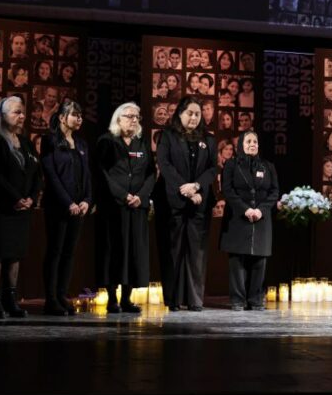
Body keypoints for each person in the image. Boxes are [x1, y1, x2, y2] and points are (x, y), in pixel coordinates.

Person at [0, 96, 40, 319]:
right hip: (0, 208)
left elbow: (37, 174)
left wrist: (31, 197)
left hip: (22, 210)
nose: (21, 116)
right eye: (16, 112)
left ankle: (10, 299)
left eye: (22, 112)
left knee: (14, 254)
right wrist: (16, 197)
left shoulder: (25, 142)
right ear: (2, 115)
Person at [154, 96, 218, 311]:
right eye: (189, 113)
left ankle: (194, 299)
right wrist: (185, 188)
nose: (193, 117)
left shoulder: (208, 139)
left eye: (197, 114)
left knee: (196, 252)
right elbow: (165, 164)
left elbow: (212, 169)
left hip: (199, 201)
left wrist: (197, 186)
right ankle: (172, 298)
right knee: (172, 251)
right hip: (173, 202)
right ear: (180, 113)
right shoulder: (167, 136)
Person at [96, 102, 156, 314]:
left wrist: (141, 196)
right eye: (129, 116)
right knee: (115, 251)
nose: (134, 120)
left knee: (133, 252)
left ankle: (127, 299)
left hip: (137, 207)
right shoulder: (106, 141)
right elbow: (102, 172)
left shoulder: (141, 142)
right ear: (118, 119)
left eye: (137, 117)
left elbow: (151, 173)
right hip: (115, 207)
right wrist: (123, 195)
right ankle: (112, 298)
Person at [40, 100, 92, 316]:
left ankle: (62, 294)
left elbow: (87, 174)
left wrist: (87, 200)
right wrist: (68, 202)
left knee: (69, 253)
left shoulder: (81, 144)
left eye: (80, 115)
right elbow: (50, 174)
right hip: (58, 206)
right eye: (74, 115)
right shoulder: (50, 140)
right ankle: (51, 299)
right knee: (55, 251)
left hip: (78, 209)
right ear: (62, 117)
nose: (79, 119)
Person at [219, 130, 279, 311]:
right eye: (248, 142)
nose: (252, 144)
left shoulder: (268, 166)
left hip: (261, 218)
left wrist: (260, 210)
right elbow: (228, 191)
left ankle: (255, 299)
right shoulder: (231, 165)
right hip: (238, 217)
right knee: (237, 260)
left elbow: (274, 192)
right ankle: (238, 299)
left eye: (255, 141)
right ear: (241, 146)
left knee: (259, 260)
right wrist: (245, 209)